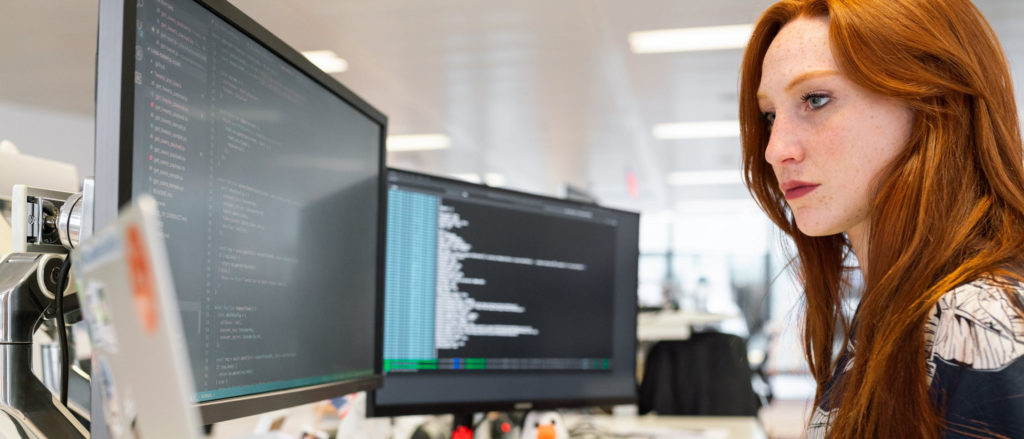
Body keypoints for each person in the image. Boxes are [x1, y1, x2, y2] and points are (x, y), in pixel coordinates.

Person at [739, 0, 1024, 437]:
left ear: (934, 101)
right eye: (770, 116)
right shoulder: (898, 306)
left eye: (816, 99)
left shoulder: (979, 316)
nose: (775, 150)